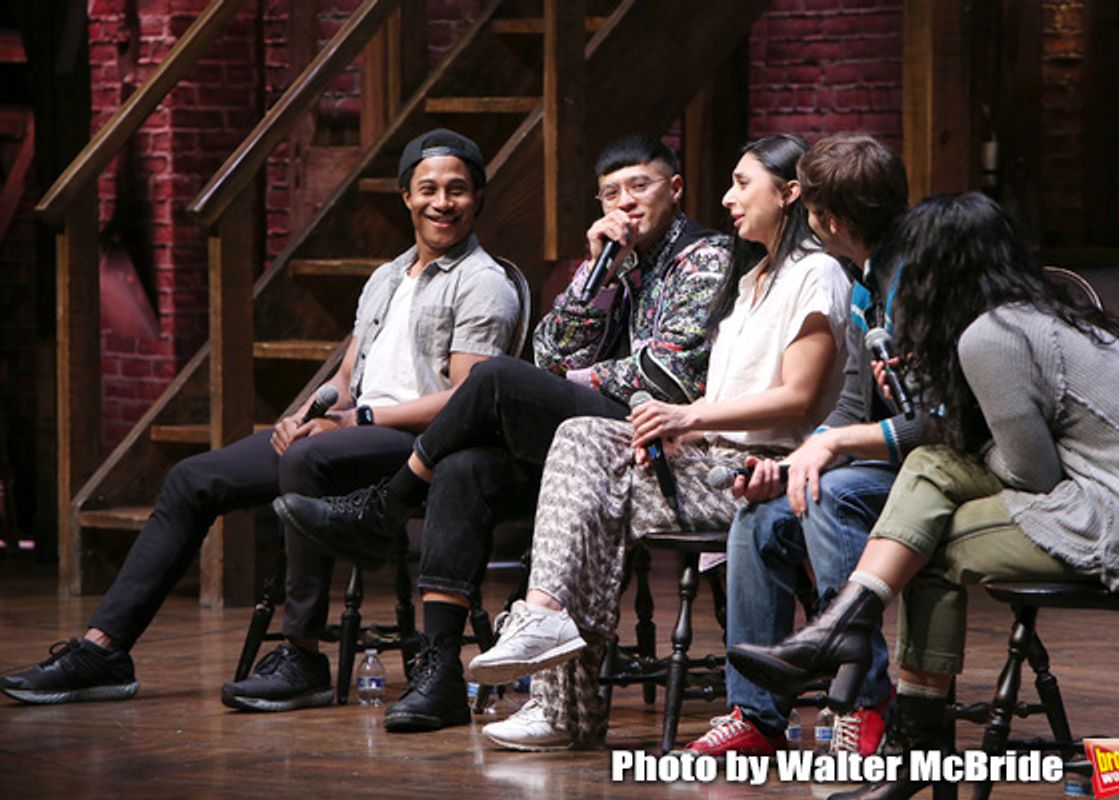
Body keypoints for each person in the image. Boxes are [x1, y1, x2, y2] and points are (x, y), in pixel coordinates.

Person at [1, 129, 520, 712]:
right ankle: (104, 649)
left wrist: (355, 420)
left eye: (457, 190)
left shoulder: (483, 283)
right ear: (405, 196)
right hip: (351, 428)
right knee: (192, 478)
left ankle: (301, 656)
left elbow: (463, 398)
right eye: (428, 189)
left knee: (308, 457)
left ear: (477, 197)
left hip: (419, 447)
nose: (441, 202)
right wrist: (310, 410)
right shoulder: (385, 277)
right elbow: (349, 371)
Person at [729, 191, 1119, 800]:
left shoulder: (992, 336)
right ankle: (848, 631)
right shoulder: (1034, 314)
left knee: (930, 546)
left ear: (940, 268)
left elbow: (1032, 475)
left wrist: (960, 444)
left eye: (916, 264)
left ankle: (910, 746)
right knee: (929, 468)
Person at [274, 134, 731, 732]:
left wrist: (577, 375)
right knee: (465, 469)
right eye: (611, 194)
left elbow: (668, 373)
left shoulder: (705, 257)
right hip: (588, 441)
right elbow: (549, 351)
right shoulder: (614, 266)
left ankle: (391, 502)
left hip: (661, 439)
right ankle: (438, 675)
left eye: (639, 188)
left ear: (673, 190)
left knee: (492, 380)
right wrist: (593, 281)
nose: (625, 205)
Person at [467, 134, 852, 752]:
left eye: (741, 184)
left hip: (768, 470)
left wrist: (687, 419)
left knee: (588, 466)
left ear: (789, 194)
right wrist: (600, 283)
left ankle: (561, 697)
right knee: (586, 465)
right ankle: (550, 651)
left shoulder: (817, 273)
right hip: (709, 460)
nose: (727, 199)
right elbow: (551, 354)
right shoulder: (750, 281)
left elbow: (798, 400)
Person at [681, 132, 925, 758]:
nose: (729, 198)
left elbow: (937, 422)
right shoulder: (867, 280)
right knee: (759, 516)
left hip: (920, 465)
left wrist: (819, 449)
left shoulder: (871, 279)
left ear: (820, 213)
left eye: (743, 183)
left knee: (825, 493)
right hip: (874, 453)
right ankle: (755, 714)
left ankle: (863, 700)